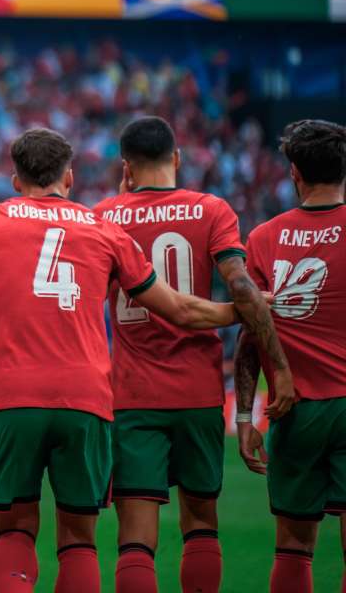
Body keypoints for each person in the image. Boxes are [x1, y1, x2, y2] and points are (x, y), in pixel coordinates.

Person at [0, 128, 243, 593]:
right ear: (70, 177)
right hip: (86, 400)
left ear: (15, 180)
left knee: (14, 531)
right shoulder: (105, 229)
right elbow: (179, 310)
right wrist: (244, 310)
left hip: (11, 398)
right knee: (79, 540)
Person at [94, 116, 293, 593]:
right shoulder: (212, 209)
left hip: (133, 395)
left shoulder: (103, 216)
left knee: (135, 539)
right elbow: (240, 285)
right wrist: (267, 344)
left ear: (126, 167)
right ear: (177, 158)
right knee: (201, 525)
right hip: (199, 393)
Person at [235, 119, 346, 593]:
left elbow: (250, 335)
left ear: (294, 172)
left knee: (293, 547)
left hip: (294, 408)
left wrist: (244, 415)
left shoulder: (263, 237)